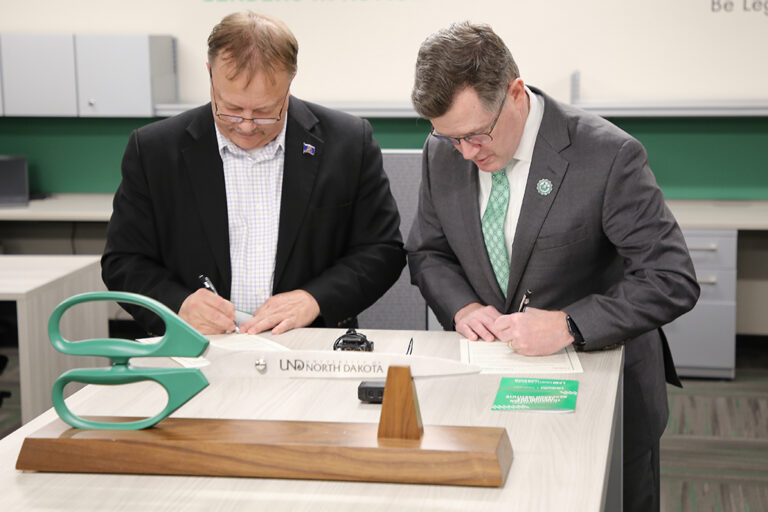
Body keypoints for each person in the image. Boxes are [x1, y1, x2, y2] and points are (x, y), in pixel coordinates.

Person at [407, 22, 699, 511]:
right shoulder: (443, 151)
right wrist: (462, 308)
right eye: (451, 139)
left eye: (477, 136)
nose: (466, 153)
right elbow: (428, 252)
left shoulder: (607, 155)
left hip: (603, 397)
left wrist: (569, 324)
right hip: (491, 395)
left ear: (516, 93)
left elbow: (671, 278)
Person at [102, 11, 405, 336]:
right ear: (210, 76)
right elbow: (124, 261)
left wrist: (314, 299)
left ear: (290, 83)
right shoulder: (154, 150)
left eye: (264, 112)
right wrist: (178, 305)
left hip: (309, 345)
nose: (246, 126)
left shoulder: (346, 143)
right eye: (230, 109)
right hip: (195, 346)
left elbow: (381, 250)